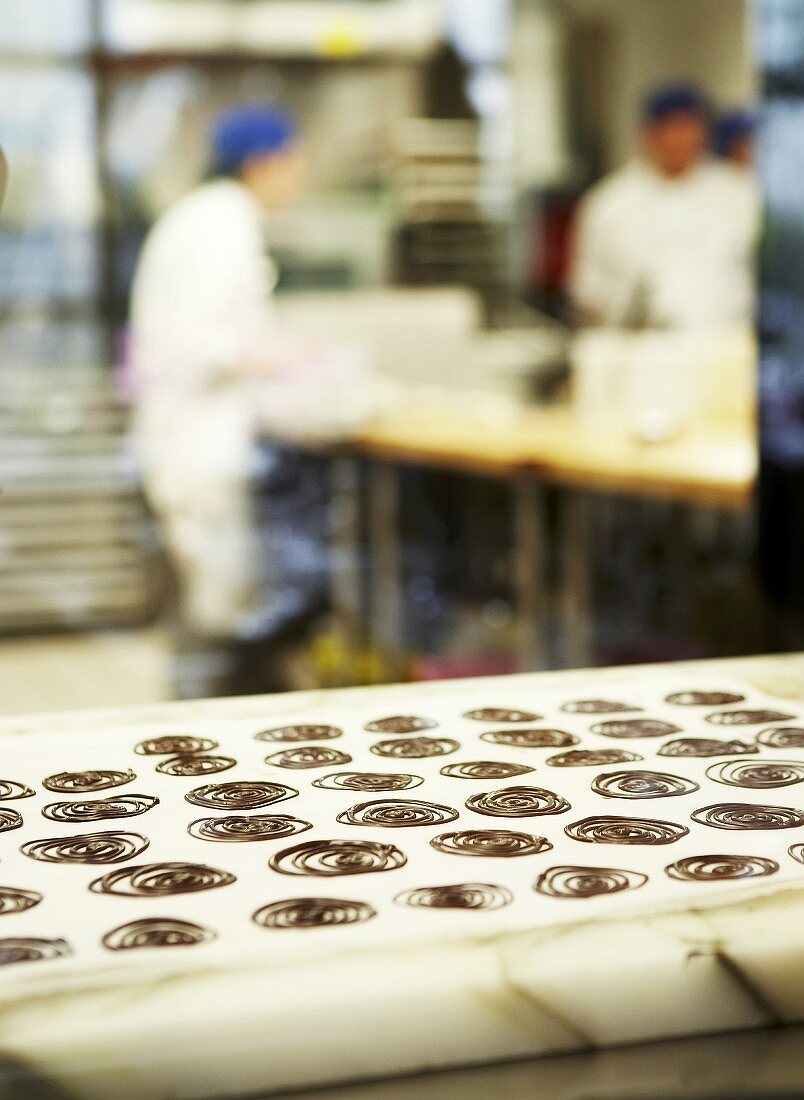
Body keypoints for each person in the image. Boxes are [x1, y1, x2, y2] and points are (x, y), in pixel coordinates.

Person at [130, 104, 326, 694]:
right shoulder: (225, 221)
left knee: (209, 609)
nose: (297, 177)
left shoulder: (200, 215)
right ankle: (204, 748)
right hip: (198, 442)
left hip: (188, 437)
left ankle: (199, 732)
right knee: (218, 614)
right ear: (263, 163)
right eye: (293, 163)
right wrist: (283, 358)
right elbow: (198, 341)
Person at [570, 84, 760, 330]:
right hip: (639, 352)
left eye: (688, 127)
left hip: (726, 347)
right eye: (670, 127)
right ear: (649, 133)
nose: (680, 138)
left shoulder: (742, 195)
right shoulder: (609, 202)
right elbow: (587, 289)